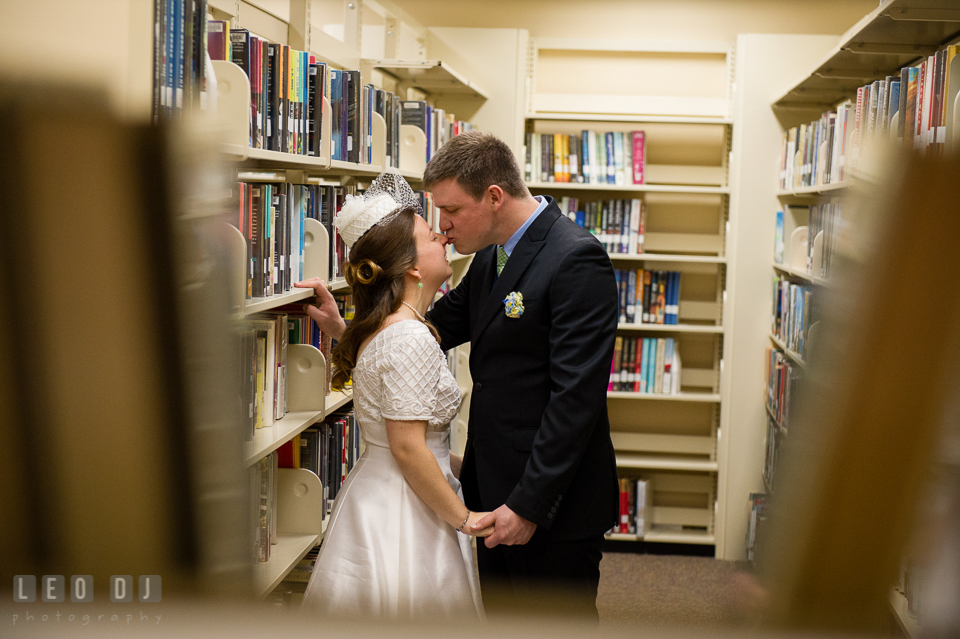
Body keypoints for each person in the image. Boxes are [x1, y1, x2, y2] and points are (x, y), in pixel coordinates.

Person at [300, 132, 620, 620]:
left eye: (449, 210)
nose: (443, 227)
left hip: (549, 504)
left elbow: (576, 399)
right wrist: (345, 329)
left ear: (494, 197)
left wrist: (529, 505)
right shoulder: (492, 256)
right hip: (491, 496)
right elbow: (422, 333)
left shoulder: (575, 257)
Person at [296, 173, 491, 620]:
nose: (443, 236)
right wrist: (465, 519)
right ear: (413, 268)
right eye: (429, 234)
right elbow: (406, 446)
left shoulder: (388, 329)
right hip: (406, 508)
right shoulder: (410, 337)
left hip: (385, 492)